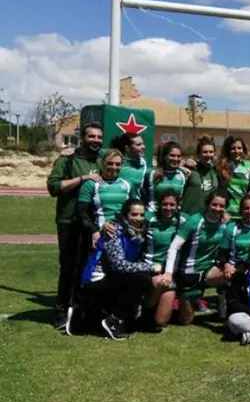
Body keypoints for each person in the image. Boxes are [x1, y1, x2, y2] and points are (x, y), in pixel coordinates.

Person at [80, 199, 168, 340]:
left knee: (140, 278)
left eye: (141, 215)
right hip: (95, 280)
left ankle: (131, 318)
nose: (138, 218)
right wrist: (151, 267)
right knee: (142, 279)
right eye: (134, 214)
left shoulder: (137, 231)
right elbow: (119, 265)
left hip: (112, 277)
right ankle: (114, 320)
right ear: (125, 215)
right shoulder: (114, 231)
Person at [47, 122, 104, 332]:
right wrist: (82, 179)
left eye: (99, 137)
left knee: (89, 268)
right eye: (91, 137)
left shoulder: (102, 159)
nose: (96, 140)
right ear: (82, 138)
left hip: (92, 225)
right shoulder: (67, 159)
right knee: (69, 268)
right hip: (70, 221)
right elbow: (54, 187)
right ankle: (61, 312)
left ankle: (82, 310)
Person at [155, 192, 232, 327]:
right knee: (177, 321)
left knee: (231, 274)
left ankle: (225, 311)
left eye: (221, 206)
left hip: (207, 271)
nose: (217, 209)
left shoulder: (224, 224)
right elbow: (174, 247)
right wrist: (168, 272)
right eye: (214, 204)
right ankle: (176, 299)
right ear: (207, 204)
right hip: (187, 274)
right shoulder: (194, 221)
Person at [143, 192, 186, 326]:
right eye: (165, 204)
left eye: (172, 204)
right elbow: (126, 218)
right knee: (158, 282)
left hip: (169, 272)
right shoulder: (149, 218)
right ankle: (143, 311)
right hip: (150, 268)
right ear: (159, 205)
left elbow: (204, 219)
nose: (168, 208)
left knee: (160, 322)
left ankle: (152, 309)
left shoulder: (183, 220)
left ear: (178, 206)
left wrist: (223, 217)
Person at [77, 150, 132, 250]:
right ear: (102, 164)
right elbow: (82, 212)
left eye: (118, 164)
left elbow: (131, 211)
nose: (114, 167)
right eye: (110, 163)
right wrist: (94, 232)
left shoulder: (127, 185)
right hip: (101, 236)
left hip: (122, 235)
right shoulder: (91, 184)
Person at [216, 136, 250, 220]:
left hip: (245, 213)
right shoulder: (219, 166)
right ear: (228, 150)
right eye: (233, 148)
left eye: (239, 148)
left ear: (243, 149)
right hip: (225, 214)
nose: (236, 151)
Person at [146, 141, 188, 218]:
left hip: (173, 218)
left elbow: (180, 200)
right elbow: (148, 197)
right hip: (153, 216)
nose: (176, 159)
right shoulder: (152, 173)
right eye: (172, 155)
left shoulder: (182, 175)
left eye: (178, 156)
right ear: (164, 156)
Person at [181, 135, 219, 216]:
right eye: (205, 152)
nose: (208, 155)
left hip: (206, 218)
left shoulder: (216, 170)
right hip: (187, 217)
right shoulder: (190, 168)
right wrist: (182, 164)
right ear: (198, 154)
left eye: (211, 152)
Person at [111, 132, 148, 201]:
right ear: (127, 148)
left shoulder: (142, 161)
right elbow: (146, 176)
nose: (144, 147)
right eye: (138, 145)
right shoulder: (121, 167)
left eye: (142, 144)